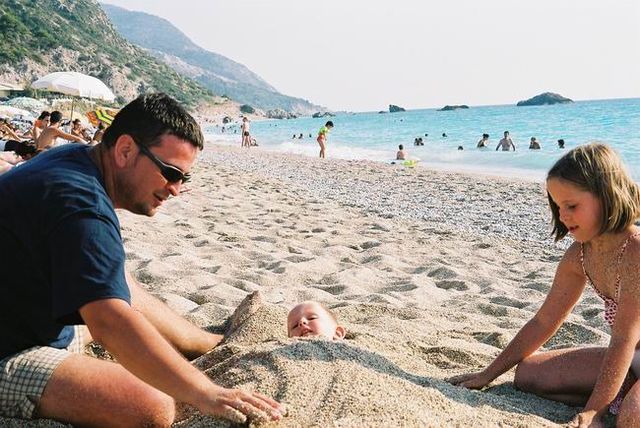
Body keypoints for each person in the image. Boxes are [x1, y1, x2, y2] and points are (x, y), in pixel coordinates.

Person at [0, 93, 283, 426]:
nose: (175, 189)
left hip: (26, 314)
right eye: (170, 173)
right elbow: (109, 322)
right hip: (11, 348)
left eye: (184, 178)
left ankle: (205, 342)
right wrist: (207, 393)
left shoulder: (77, 160)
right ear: (125, 150)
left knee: (114, 282)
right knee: (152, 406)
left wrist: (206, 347)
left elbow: (113, 292)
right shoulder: (81, 205)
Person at [448, 143, 640, 427]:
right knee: (527, 373)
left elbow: (624, 338)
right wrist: (487, 375)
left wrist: (593, 412)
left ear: (607, 196)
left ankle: (619, 402)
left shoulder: (635, 250)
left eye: (572, 206)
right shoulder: (580, 255)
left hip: (626, 347)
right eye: (557, 206)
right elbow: (544, 321)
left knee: (631, 417)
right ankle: (621, 393)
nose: (562, 216)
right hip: (630, 360)